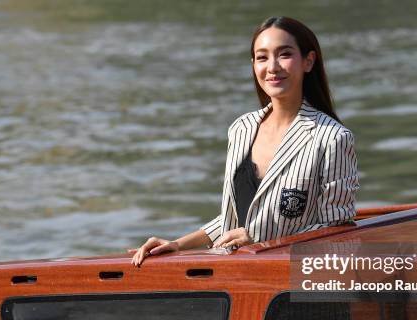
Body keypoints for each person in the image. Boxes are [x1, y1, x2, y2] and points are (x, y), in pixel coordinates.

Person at [130, 16, 358, 266]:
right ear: (253, 65)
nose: (272, 67)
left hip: (291, 286)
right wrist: (177, 244)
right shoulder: (241, 129)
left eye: (284, 54)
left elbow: (337, 231)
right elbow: (234, 219)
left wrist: (260, 238)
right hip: (236, 276)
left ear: (308, 61)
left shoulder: (333, 138)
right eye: (262, 57)